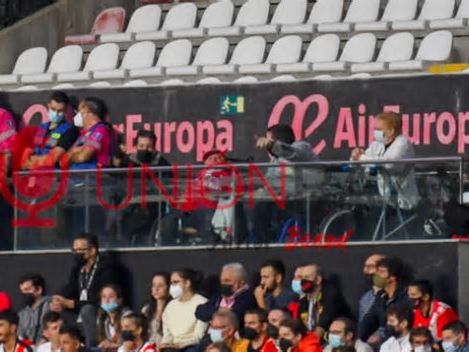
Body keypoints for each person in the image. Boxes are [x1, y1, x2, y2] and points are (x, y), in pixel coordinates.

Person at [253, 124, 320, 243]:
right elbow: (269, 180)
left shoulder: (301, 147)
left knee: (263, 207)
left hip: (306, 201)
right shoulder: (275, 159)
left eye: (268, 139)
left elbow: (292, 153)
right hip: (283, 199)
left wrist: (272, 145)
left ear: (276, 140)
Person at [52, 233, 119, 347]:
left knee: (87, 310)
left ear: (92, 251)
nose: (76, 253)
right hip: (78, 314)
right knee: (55, 308)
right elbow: (69, 289)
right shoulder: (77, 269)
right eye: (74, 250)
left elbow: (102, 300)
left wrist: (73, 304)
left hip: (99, 313)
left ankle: (91, 348)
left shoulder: (106, 269)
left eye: (80, 250)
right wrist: (58, 300)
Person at [350, 112, 420, 211]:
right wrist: (355, 156)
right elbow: (359, 162)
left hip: (403, 201)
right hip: (382, 199)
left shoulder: (403, 143)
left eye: (378, 129)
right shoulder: (377, 144)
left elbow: (389, 163)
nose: (375, 132)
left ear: (391, 131)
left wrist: (361, 158)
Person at [288, 263, 353, 338]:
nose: (302, 281)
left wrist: (307, 346)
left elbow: (320, 328)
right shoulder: (303, 298)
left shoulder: (331, 295)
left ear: (318, 280)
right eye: (301, 278)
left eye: (307, 277)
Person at [21, 91, 79, 170]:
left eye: (60, 111)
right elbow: (27, 153)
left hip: (54, 175)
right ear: (48, 106)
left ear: (65, 110)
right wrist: (28, 162)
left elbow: (54, 157)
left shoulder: (70, 130)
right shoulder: (41, 128)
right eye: (53, 109)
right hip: (34, 173)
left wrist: (34, 160)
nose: (56, 113)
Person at [359, 256, 409, 344]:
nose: (377, 275)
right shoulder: (381, 296)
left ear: (392, 277)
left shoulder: (405, 297)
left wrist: (381, 338)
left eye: (381, 272)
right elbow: (369, 321)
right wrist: (357, 340)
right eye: (377, 271)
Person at [159, 269, 208, 352]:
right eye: (171, 283)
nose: (172, 286)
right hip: (171, 348)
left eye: (176, 282)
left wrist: (178, 345)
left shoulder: (202, 303)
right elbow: (167, 334)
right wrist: (166, 344)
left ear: (187, 283)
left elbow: (198, 336)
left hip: (192, 347)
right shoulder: (170, 305)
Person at [67, 97, 112, 169]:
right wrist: (78, 150)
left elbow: (83, 157)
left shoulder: (100, 130)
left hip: (93, 176)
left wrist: (74, 153)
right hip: (77, 175)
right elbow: (65, 158)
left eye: (78, 111)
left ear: (87, 111)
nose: (76, 115)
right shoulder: (84, 133)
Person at [17, 273, 51, 344]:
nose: (24, 293)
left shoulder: (51, 305)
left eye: (27, 289)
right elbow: (20, 337)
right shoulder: (22, 314)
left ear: (39, 289)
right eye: (22, 291)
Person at [97, 284, 131, 352]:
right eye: (103, 297)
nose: (106, 300)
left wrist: (113, 345)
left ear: (120, 300)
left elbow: (132, 344)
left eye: (111, 297)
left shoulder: (128, 316)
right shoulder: (105, 320)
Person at [141, 272, 171, 345]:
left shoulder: (172, 309)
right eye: (154, 285)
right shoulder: (146, 310)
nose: (156, 289)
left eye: (160, 285)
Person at [358, 255, 385, 324]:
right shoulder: (365, 299)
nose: (366, 270)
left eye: (371, 266)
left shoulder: (399, 295)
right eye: (365, 266)